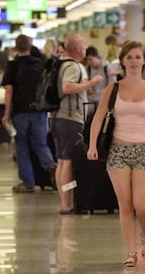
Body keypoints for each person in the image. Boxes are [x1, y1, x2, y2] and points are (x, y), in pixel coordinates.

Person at [87, 41, 145, 268]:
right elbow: (98, 118)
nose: (134, 61)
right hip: (118, 150)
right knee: (125, 204)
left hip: (144, 149)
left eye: (137, 57)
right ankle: (131, 250)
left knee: (142, 205)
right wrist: (92, 145)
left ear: (144, 61)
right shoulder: (112, 89)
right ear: (122, 62)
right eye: (129, 57)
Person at [51, 33, 103, 213]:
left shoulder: (60, 64)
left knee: (61, 161)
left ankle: (63, 200)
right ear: (78, 48)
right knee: (67, 162)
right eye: (83, 43)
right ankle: (66, 203)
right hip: (70, 118)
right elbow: (67, 87)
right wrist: (90, 83)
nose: (86, 46)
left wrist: (84, 91)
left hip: (57, 117)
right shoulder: (74, 66)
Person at [1, 34, 57, 193]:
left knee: (22, 147)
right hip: (39, 112)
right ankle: (54, 171)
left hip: (20, 113)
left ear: (16, 47)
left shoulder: (12, 65)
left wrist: (6, 112)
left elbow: (9, 90)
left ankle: (28, 183)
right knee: (41, 145)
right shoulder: (40, 64)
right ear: (31, 45)